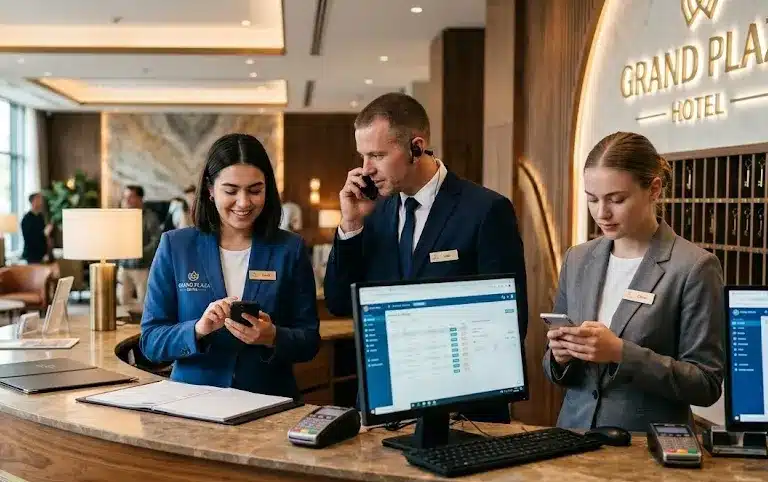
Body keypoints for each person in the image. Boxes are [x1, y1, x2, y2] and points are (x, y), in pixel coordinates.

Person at [323, 92, 528, 422]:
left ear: (416, 147)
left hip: (463, 413)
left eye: (377, 155)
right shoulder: (371, 211)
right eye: (362, 156)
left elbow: (509, 323)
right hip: (383, 410)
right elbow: (338, 303)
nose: (365, 170)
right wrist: (350, 223)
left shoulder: (487, 210)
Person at [543, 131, 724, 432]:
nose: (602, 213)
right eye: (592, 199)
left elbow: (705, 384)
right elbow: (555, 369)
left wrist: (620, 353)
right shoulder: (578, 259)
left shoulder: (694, 267)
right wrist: (560, 358)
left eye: (617, 199)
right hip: (572, 441)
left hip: (647, 450)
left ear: (654, 190)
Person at [140, 133, 320, 398]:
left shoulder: (289, 249)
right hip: (193, 403)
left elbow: (309, 341)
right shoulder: (176, 246)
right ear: (211, 190)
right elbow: (151, 341)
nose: (244, 202)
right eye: (231, 190)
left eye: (255, 190)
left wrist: (272, 336)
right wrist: (197, 329)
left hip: (268, 402)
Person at [117, 185, 163, 308]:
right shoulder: (121, 217)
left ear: (140, 198)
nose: (127, 200)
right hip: (123, 266)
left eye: (131, 197)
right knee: (122, 300)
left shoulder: (150, 217)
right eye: (125, 197)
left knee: (145, 302)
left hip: (142, 267)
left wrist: (139, 253)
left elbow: (156, 241)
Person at [21, 193, 53, 264]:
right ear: (32, 202)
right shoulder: (27, 219)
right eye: (38, 200)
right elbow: (29, 238)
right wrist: (44, 233)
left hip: (43, 254)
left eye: (41, 200)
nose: (40, 202)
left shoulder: (41, 216)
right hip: (32, 255)